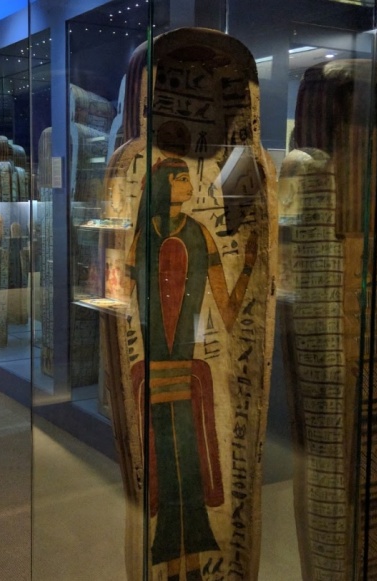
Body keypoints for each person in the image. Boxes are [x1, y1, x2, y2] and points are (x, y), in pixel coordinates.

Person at [125, 157, 257, 581]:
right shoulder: (142, 238)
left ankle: (195, 568)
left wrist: (249, 265)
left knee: (192, 467)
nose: (190, 186)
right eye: (182, 179)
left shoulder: (200, 234)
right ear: (164, 185)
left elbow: (228, 313)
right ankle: (172, 569)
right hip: (155, 375)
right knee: (165, 467)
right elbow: (121, 305)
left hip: (187, 376)